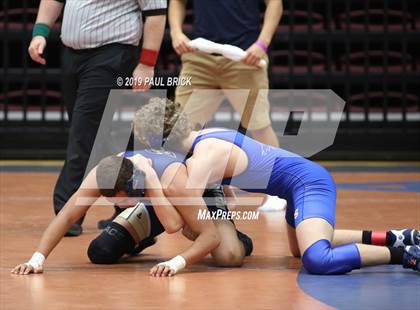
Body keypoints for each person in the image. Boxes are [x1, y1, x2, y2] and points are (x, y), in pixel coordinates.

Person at [132, 97, 420, 276]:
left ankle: (406, 255)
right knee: (301, 251)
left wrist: (151, 178)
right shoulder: (204, 138)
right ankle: (398, 236)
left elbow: (189, 208)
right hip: (293, 190)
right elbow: (227, 193)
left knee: (317, 259)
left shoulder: (203, 155)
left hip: (309, 184)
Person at [28, 0, 167, 236]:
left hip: (111, 54)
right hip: (72, 55)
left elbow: (156, 13)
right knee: (98, 137)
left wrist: (146, 63)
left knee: (84, 135)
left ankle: (67, 215)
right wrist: (40, 32)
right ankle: (131, 203)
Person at [11, 150, 252, 276]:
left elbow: (173, 225)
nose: (119, 207)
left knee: (228, 256)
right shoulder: (103, 173)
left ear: (134, 186)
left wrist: (177, 262)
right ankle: (142, 238)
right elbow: (67, 216)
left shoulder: (168, 180)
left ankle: (235, 235)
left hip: (195, 194)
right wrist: (37, 259)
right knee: (101, 251)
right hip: (159, 201)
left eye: (122, 202)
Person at [169, 0, 282, 147]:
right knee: (181, 129)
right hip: (200, 59)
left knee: (259, 127)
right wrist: (176, 33)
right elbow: (177, 1)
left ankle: (279, 170)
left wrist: (262, 43)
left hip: (245, 58)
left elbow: (275, 2)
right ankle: (182, 170)